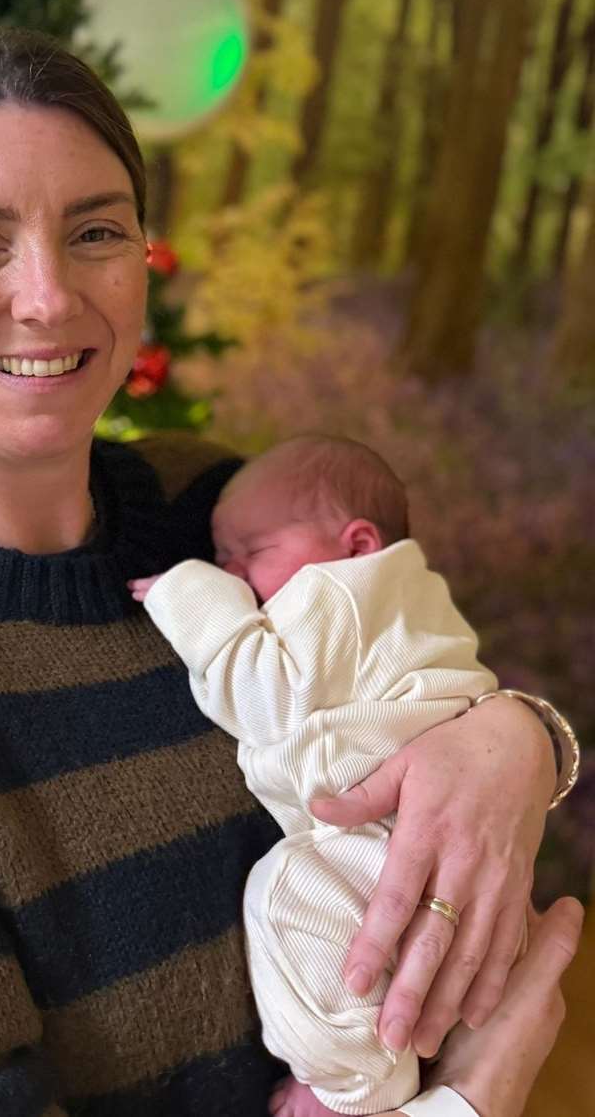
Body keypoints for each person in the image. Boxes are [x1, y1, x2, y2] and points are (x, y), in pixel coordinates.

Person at [0, 27, 581, 1117]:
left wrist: (517, 739)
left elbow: (408, 685)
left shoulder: (216, 510)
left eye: (96, 231)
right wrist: (468, 1104)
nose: (51, 297)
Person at [130, 433, 509, 1115]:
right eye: (222, 558)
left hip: (392, 832)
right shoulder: (398, 601)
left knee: (286, 893)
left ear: (357, 545)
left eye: (254, 552)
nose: (236, 574)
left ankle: (354, 1086)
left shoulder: (340, 595)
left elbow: (266, 695)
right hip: (420, 830)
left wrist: (190, 592)